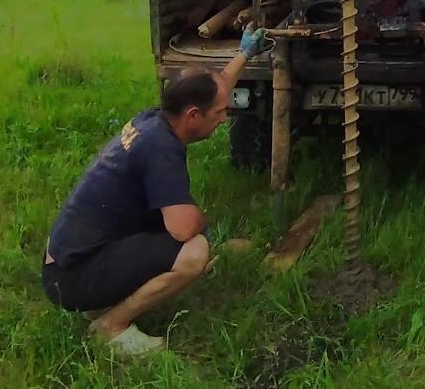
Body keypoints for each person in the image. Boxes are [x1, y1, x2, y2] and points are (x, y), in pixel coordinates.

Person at [40, 27, 266, 356]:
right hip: (71, 278)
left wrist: (245, 53)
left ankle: (102, 298)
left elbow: (215, 91)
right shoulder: (162, 150)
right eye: (220, 113)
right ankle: (110, 325)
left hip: (67, 259)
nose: (223, 119)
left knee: (175, 234)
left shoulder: (154, 120)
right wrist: (204, 221)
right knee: (194, 252)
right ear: (192, 115)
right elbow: (183, 227)